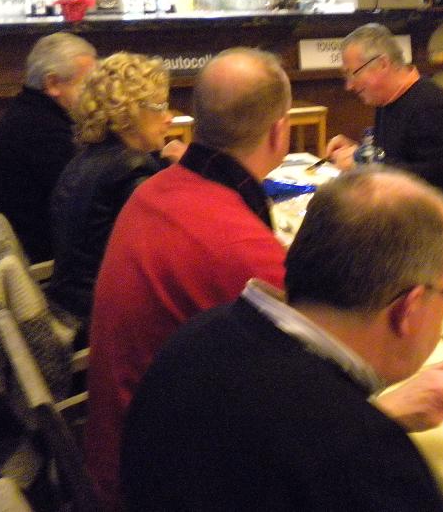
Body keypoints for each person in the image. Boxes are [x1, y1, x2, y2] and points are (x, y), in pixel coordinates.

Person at [120, 167, 443, 512]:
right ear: (409, 308)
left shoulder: (198, 337)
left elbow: (260, 460)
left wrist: (375, 413)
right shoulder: (365, 462)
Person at [85, 47, 292, 510]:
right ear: (279, 131)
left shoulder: (154, 191)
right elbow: (311, 399)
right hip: (154, 486)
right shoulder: (242, 251)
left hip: (114, 452)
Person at [45, 52, 184, 334]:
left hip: (68, 307)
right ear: (130, 112)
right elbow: (168, 259)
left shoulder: (85, 160)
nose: (169, 118)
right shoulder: (130, 171)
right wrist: (189, 176)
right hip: (105, 324)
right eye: (160, 106)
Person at [0, 32, 97, 263]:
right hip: (35, 262)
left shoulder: (30, 112)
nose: (94, 96)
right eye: (87, 85)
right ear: (52, 83)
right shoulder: (42, 131)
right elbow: (81, 205)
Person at [325, 23, 443, 198]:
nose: (349, 85)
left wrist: (363, 163)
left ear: (383, 64)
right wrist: (358, 152)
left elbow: (435, 180)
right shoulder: (388, 101)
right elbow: (394, 159)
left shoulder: (430, 106)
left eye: (353, 74)